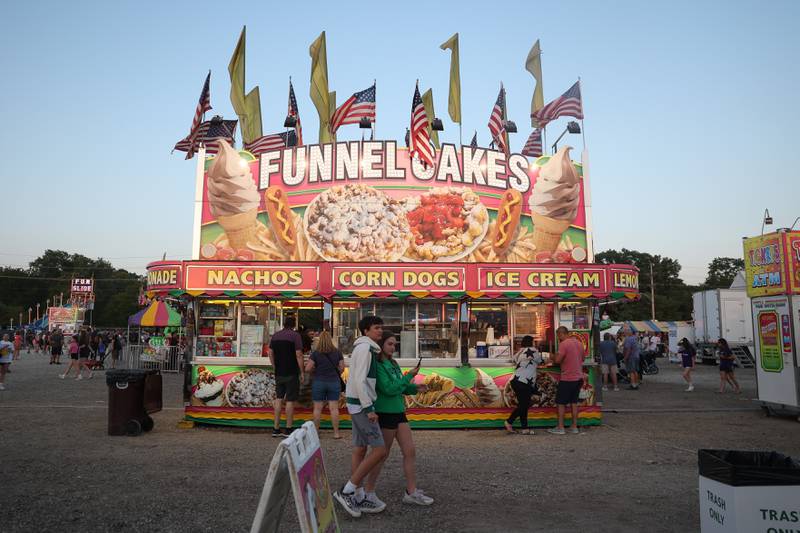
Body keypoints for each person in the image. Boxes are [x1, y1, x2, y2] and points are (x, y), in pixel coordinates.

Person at [364, 332, 433, 507]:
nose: (393, 348)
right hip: (385, 413)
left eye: (395, 344)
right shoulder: (377, 364)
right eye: (390, 344)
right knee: (381, 455)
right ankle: (368, 491)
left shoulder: (393, 363)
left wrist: (415, 388)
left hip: (399, 412)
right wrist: (409, 376)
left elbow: (399, 387)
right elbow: (388, 388)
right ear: (381, 345)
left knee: (410, 451)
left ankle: (411, 491)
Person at [333, 316, 388, 518]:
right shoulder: (366, 349)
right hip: (362, 406)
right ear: (366, 330)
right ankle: (347, 490)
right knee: (380, 450)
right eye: (376, 328)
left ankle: (357, 495)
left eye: (381, 328)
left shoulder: (364, 348)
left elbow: (357, 378)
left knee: (360, 448)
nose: (380, 331)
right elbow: (359, 379)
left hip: (356, 404)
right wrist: (369, 407)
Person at [268, 316, 304, 437]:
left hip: (279, 372)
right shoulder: (295, 336)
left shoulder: (275, 335)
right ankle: (288, 429)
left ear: (284, 324)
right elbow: (299, 354)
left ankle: (276, 428)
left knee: (279, 398)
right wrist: (302, 371)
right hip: (292, 372)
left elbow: (270, 352)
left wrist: (274, 365)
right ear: (294, 325)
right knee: (290, 400)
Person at [305, 330, 344, 439]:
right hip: (334, 382)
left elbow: (307, 368)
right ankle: (336, 433)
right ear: (330, 340)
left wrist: (315, 370)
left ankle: (316, 433)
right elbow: (342, 368)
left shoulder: (316, 353)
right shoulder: (337, 352)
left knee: (317, 408)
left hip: (319, 382)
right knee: (334, 408)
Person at [548, 326, 585, 435]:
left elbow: (558, 360)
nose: (558, 338)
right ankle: (574, 426)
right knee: (574, 403)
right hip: (578, 378)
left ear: (560, 334)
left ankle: (560, 427)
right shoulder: (579, 343)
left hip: (567, 378)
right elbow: (582, 359)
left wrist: (552, 356)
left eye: (558, 335)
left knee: (561, 403)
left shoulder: (563, 344)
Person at [504, 335, 543, 434]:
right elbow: (541, 361)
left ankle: (525, 428)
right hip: (524, 382)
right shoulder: (534, 351)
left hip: (516, 381)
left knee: (523, 404)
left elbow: (514, 360)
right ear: (532, 342)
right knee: (524, 405)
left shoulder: (520, 351)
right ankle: (509, 422)